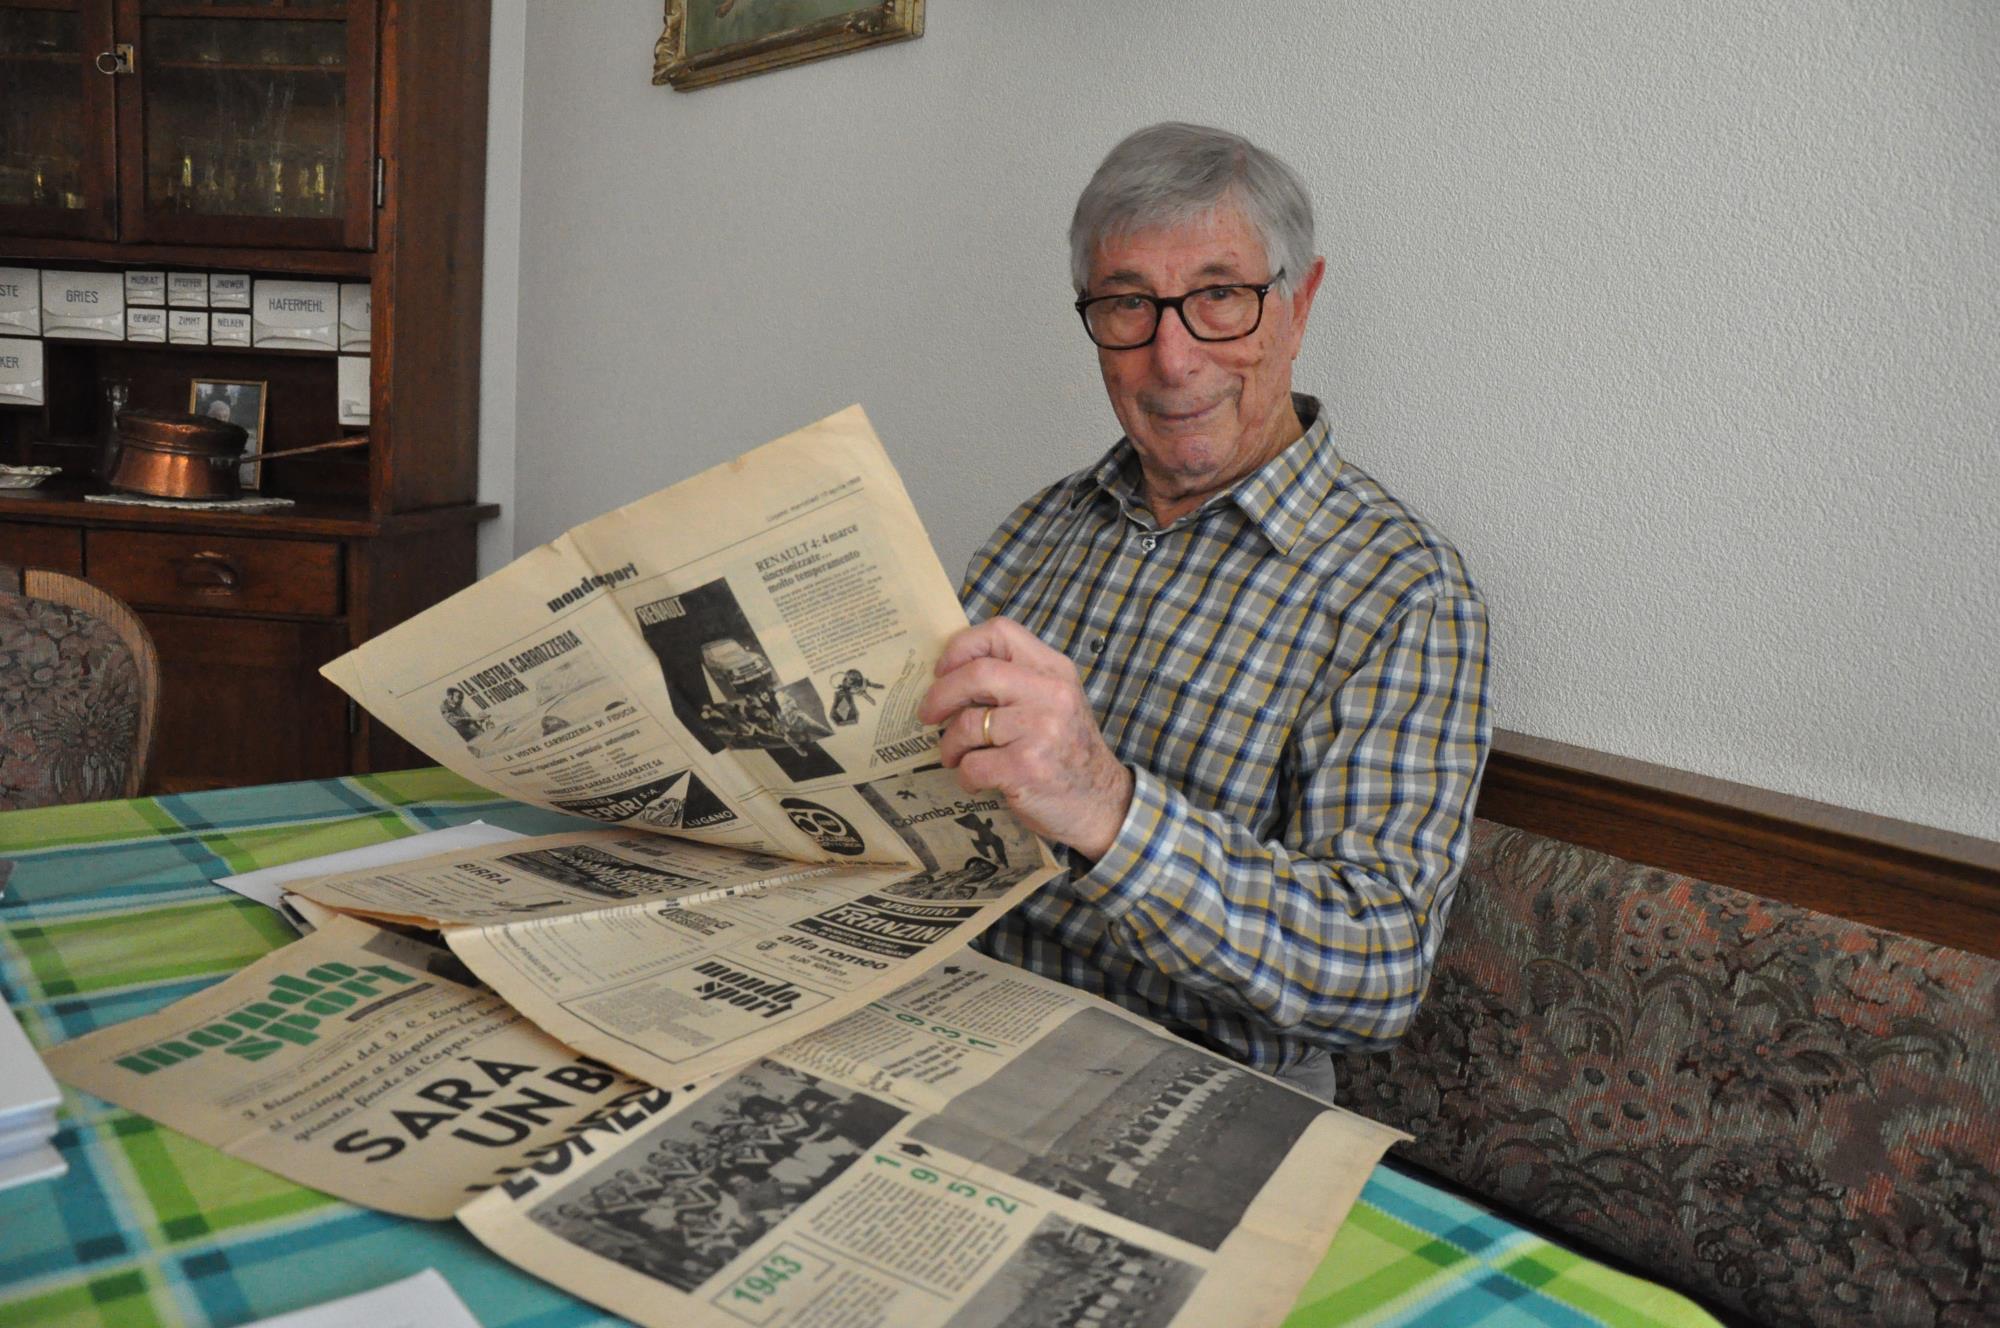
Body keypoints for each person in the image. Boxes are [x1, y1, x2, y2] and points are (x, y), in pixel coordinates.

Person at [918, 123, 1492, 1099]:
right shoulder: (1034, 529)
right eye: (1127, 304)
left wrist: (1107, 806)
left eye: (1219, 296)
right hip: (953, 1020)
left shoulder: (1404, 590)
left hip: (1191, 1086)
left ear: (1298, 305)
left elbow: (1378, 969)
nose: (1172, 359)